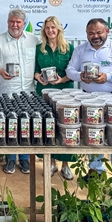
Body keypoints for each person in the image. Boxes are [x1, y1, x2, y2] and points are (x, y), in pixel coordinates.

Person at [66, 18, 112, 185]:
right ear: (86, 34)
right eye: (91, 33)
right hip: (89, 100)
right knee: (93, 135)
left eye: (99, 32)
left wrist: (108, 77)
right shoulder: (81, 50)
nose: (95, 36)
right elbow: (69, 70)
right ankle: (95, 170)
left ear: (107, 32)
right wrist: (80, 76)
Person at [0, 9, 40, 174]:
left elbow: (40, 61)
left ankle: (24, 159)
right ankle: (10, 159)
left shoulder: (34, 40)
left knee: (26, 124)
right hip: (8, 91)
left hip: (29, 92)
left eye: (18, 22)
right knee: (10, 124)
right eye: (12, 21)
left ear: (24, 23)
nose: (15, 25)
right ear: (7, 22)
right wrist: (1, 71)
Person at [34, 16, 76, 180]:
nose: (50, 30)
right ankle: (51, 162)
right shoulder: (39, 48)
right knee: (47, 126)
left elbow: (73, 72)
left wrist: (63, 79)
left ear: (59, 29)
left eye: (53, 27)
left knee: (66, 128)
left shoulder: (69, 48)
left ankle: (66, 165)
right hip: (44, 93)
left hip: (64, 92)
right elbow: (35, 70)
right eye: (47, 28)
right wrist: (37, 76)